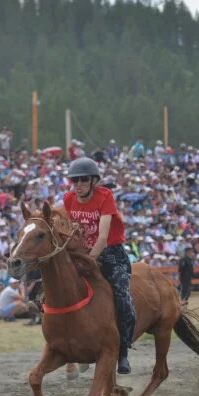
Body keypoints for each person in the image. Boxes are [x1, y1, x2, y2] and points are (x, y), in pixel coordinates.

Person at [63, 157, 136, 374]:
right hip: (84, 253)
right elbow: (72, 230)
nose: (78, 184)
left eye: (83, 179)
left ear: (94, 180)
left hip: (110, 254)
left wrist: (88, 260)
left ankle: (123, 351)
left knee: (122, 296)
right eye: (74, 180)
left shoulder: (105, 197)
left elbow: (103, 237)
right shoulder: (68, 199)